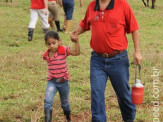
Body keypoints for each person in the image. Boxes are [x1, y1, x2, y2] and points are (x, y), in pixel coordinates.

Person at [70, 0, 142, 121]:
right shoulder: (92, 6)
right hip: (97, 60)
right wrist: (75, 33)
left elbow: (134, 28)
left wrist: (137, 51)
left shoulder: (122, 5)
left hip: (118, 59)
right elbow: (85, 23)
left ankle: (129, 119)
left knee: (123, 95)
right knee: (96, 95)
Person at [43, 30, 80, 122]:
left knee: (65, 103)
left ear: (59, 41)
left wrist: (76, 42)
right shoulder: (46, 55)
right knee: (47, 101)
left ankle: (68, 119)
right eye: (49, 44)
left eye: (54, 43)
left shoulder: (63, 50)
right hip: (52, 82)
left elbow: (77, 53)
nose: (51, 46)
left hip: (63, 82)